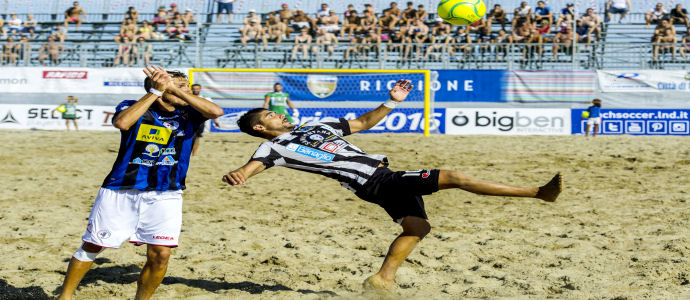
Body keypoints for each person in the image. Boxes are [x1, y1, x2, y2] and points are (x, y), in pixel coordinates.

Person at [225, 80, 562, 292]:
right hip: (374, 181)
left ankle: (381, 280)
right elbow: (251, 167)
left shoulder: (316, 123)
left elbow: (361, 122)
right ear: (258, 128)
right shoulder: (271, 148)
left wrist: (393, 101)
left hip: (380, 178)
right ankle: (538, 193)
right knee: (455, 177)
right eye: (269, 116)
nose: (278, 115)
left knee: (418, 226)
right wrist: (239, 174)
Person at [56, 66, 223, 300]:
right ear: (160, 89)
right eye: (180, 86)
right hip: (120, 189)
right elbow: (122, 123)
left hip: (166, 193)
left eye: (186, 86)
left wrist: (178, 90)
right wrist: (155, 91)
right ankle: (65, 297)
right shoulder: (132, 106)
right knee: (93, 245)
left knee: (161, 254)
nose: (187, 91)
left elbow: (216, 112)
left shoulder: (190, 113)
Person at [191, 84, 221, 156]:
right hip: (190, 120)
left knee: (197, 137)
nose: (196, 90)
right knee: (190, 137)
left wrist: (215, 121)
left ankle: (194, 154)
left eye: (197, 88)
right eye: (194, 89)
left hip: (200, 121)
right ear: (192, 89)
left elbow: (212, 110)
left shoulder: (205, 99)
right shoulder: (189, 97)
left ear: (200, 89)